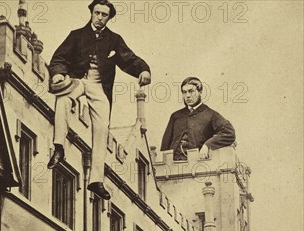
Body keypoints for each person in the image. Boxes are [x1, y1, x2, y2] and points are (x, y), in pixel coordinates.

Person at [48, 0, 151, 200]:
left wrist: (144, 69)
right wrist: (58, 74)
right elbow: (59, 58)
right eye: (97, 13)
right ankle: (59, 146)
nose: (100, 17)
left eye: (104, 15)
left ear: (108, 18)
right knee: (62, 100)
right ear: (92, 13)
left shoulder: (114, 40)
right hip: (78, 80)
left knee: (102, 127)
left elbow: (129, 59)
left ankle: (96, 180)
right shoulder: (76, 35)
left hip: (99, 85)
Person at [161, 76, 236, 161]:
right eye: (184, 92)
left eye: (191, 91)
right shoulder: (175, 116)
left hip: (198, 166)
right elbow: (165, 146)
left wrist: (207, 145)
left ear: (200, 92)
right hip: (173, 167)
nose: (187, 96)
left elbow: (229, 132)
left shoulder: (210, 114)